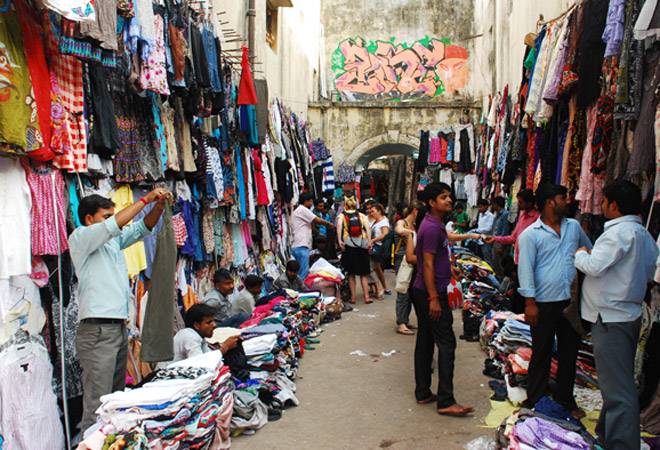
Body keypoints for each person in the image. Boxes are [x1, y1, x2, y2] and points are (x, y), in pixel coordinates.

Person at [70, 187, 172, 432]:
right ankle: (90, 443)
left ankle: (112, 442)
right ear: (89, 219)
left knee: (115, 400)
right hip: (97, 329)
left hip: (116, 327)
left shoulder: (112, 243)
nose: (113, 220)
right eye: (106, 216)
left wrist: (158, 207)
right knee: (98, 403)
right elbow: (114, 225)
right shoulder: (80, 237)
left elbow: (142, 228)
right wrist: (145, 199)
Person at [574, 180, 658, 449]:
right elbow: (649, 274)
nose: (601, 205)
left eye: (604, 200)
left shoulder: (618, 233)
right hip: (626, 315)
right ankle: (608, 434)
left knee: (618, 389)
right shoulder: (643, 235)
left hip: (610, 317)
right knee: (617, 382)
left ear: (613, 205)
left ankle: (622, 444)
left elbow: (594, 266)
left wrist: (581, 253)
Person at [517, 184, 592, 416]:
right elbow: (525, 269)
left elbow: (589, 250)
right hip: (543, 303)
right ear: (550, 202)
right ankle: (536, 399)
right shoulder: (530, 234)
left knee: (569, 352)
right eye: (563, 197)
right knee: (541, 351)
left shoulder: (574, 227)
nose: (567, 201)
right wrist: (529, 303)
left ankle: (566, 400)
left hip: (570, 302)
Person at [411, 182, 474, 417]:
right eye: (443, 197)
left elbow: (435, 259)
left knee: (426, 340)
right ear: (431, 202)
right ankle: (446, 400)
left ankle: (423, 391)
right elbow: (426, 264)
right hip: (430, 292)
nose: (449, 200)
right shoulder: (431, 228)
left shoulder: (434, 224)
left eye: (449, 196)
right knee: (447, 344)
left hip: (424, 290)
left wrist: (448, 268)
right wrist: (434, 298)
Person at [394, 201, 424, 335]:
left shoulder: (417, 225)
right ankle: (401, 323)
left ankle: (405, 320)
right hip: (403, 260)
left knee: (411, 291)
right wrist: (412, 234)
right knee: (403, 289)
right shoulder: (402, 222)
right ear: (415, 211)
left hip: (413, 259)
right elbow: (399, 230)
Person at [485, 189, 539, 264]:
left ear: (529, 203)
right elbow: (513, 238)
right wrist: (494, 238)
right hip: (518, 258)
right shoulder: (522, 215)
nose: (518, 204)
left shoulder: (537, 218)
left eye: (520, 202)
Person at [171, 304, 240, 362]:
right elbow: (199, 363)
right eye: (209, 322)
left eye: (214, 321)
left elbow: (208, 356)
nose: (214, 325)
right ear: (196, 325)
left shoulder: (200, 336)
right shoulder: (189, 336)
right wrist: (225, 348)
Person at [337, 195, 374, 304]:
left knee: (351, 274)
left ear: (345, 205)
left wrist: (339, 240)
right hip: (362, 246)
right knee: (364, 273)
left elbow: (339, 227)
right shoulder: (361, 215)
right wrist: (369, 241)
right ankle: (366, 297)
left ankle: (353, 298)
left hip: (349, 247)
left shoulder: (342, 216)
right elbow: (368, 228)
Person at [291, 192, 334, 280]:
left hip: (299, 245)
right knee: (303, 272)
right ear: (305, 201)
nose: (311, 204)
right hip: (301, 245)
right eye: (310, 201)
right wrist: (329, 224)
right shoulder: (302, 210)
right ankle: (302, 288)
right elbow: (317, 220)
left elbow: (312, 225)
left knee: (300, 271)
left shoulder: (299, 210)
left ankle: (299, 287)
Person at [368, 203, 392, 299]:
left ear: (379, 211)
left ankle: (379, 289)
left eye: (373, 211)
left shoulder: (383, 221)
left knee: (372, 268)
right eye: (370, 211)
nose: (371, 213)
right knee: (377, 269)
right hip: (374, 247)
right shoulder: (375, 221)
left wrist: (373, 240)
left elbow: (384, 234)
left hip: (378, 247)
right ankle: (384, 287)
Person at [490, 197, 510, 276]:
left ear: (496, 204)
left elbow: (505, 231)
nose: (492, 206)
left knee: (500, 265)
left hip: (500, 243)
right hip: (495, 241)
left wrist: (502, 246)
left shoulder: (505, 214)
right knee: (495, 264)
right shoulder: (497, 215)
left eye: (493, 204)